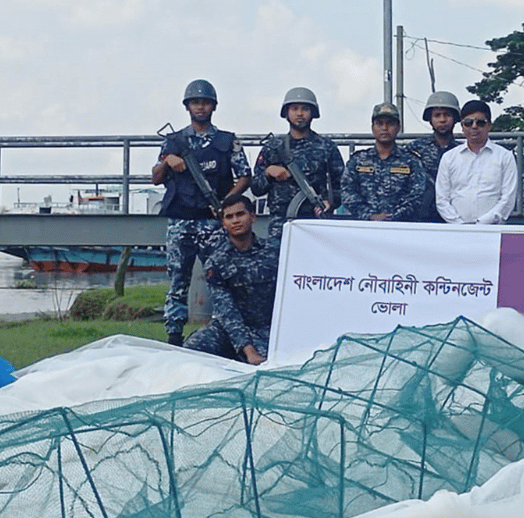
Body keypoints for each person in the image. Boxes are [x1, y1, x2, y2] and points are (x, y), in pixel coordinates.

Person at [152, 79, 251, 346]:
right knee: (177, 282)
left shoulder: (226, 141)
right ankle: (174, 336)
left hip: (212, 221)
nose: (200, 107)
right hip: (181, 221)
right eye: (195, 102)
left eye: (205, 102)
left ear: (213, 107)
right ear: (187, 107)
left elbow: (244, 176)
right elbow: (155, 178)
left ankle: (224, 333)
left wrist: (227, 201)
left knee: (220, 279)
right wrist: (167, 161)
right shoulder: (174, 141)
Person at [184, 194, 278, 365]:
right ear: (223, 224)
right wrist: (248, 350)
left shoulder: (276, 252)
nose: (235, 220)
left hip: (267, 328)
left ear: (253, 216)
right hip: (230, 328)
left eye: (240, 214)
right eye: (229, 217)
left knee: (272, 361)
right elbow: (227, 312)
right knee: (192, 349)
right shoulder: (217, 262)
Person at [251, 87, 346, 239]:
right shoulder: (272, 147)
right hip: (280, 224)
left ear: (313, 113)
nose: (300, 114)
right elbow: (256, 188)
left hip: (316, 221)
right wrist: (268, 173)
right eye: (294, 109)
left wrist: (330, 202)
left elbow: (342, 185)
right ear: (286, 113)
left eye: (305, 109)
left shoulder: (326, 147)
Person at [435, 100, 518, 224]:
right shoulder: (449, 158)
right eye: (468, 123)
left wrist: (482, 223)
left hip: (492, 230)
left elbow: (508, 198)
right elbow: (442, 199)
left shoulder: (505, 156)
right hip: (456, 230)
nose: (474, 126)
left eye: (480, 122)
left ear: (489, 125)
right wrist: (459, 224)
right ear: (462, 126)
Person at [341, 102, 426, 221]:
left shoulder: (411, 161)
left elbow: (417, 195)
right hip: (363, 226)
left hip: (400, 226)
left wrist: (392, 217)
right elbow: (347, 192)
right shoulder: (358, 160)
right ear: (372, 128)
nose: (385, 128)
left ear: (398, 128)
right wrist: (369, 216)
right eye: (379, 123)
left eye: (390, 123)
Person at [408, 91, 461, 222]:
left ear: (455, 118)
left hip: (455, 217)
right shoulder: (414, 149)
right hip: (420, 218)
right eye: (437, 115)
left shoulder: (462, 151)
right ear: (430, 119)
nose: (442, 120)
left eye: (447, 115)